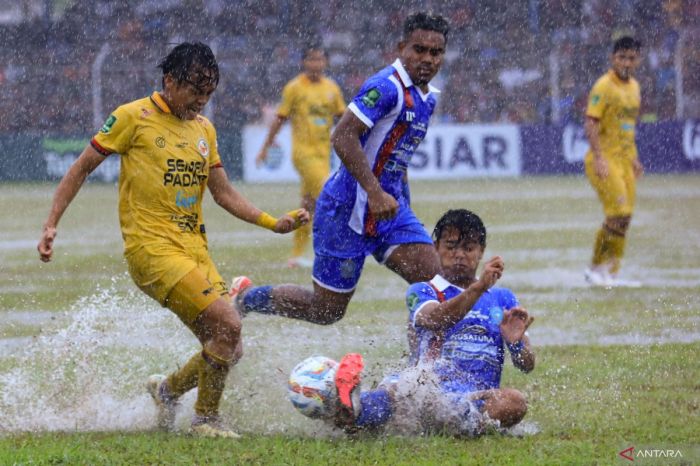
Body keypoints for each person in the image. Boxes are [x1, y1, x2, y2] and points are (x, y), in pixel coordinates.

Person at [36, 42, 309, 438]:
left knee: (229, 345)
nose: (201, 101)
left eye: (208, 93)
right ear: (169, 81)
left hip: (194, 250)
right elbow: (80, 168)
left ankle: (166, 391)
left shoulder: (204, 129)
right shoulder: (132, 117)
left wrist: (273, 223)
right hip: (152, 251)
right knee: (228, 323)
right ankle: (206, 421)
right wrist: (51, 222)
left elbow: (224, 193)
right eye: (194, 90)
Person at [230, 12, 449, 325]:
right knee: (326, 311)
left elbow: (398, 158)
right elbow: (343, 136)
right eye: (419, 49)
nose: (427, 58)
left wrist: (403, 207)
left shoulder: (427, 98)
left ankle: (428, 367)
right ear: (402, 47)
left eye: (435, 52)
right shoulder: (385, 87)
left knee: (439, 288)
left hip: (390, 211)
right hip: (346, 210)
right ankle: (245, 298)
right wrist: (373, 191)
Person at [329, 209, 535, 435]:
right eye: (451, 246)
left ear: (481, 252)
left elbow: (527, 365)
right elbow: (436, 318)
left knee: (515, 402)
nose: (459, 255)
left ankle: (454, 426)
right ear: (436, 247)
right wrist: (478, 288)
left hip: (472, 399)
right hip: (427, 390)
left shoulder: (502, 299)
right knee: (398, 390)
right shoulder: (423, 290)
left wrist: (516, 343)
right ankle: (350, 407)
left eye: (468, 248)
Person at [255, 45, 346, 269]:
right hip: (303, 154)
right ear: (304, 62)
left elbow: (344, 118)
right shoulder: (294, 88)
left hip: (324, 155)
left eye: (320, 60)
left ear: (325, 63)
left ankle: (295, 257)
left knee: (309, 206)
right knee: (330, 197)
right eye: (312, 60)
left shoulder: (332, 88)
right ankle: (339, 252)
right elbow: (280, 118)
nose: (316, 64)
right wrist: (266, 146)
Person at [583, 36, 644, 288]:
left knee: (625, 218)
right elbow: (591, 122)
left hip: (624, 161)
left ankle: (611, 273)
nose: (626, 63)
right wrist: (599, 157)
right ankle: (595, 268)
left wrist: (634, 158)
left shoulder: (634, 88)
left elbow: (626, 128)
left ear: (637, 60)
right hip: (604, 160)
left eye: (631, 58)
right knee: (617, 213)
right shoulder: (603, 86)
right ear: (613, 58)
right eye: (622, 57)